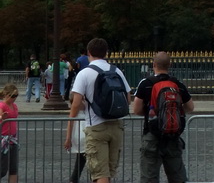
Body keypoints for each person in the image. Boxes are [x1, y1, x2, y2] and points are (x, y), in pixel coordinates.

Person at [65, 37, 132, 183]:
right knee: (108, 171)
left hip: (96, 126)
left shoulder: (84, 73)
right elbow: (128, 99)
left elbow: (76, 104)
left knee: (100, 173)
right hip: (116, 126)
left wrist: (86, 106)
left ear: (89, 52)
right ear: (106, 53)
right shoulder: (117, 71)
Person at [133, 51, 194, 183]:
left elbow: (136, 109)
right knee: (177, 177)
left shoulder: (146, 83)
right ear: (170, 65)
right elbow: (190, 107)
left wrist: (154, 114)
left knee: (149, 177)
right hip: (172, 134)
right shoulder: (177, 84)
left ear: (153, 64)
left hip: (152, 134)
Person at [0, 83, 19, 183]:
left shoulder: (14, 105)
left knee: (13, 168)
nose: (15, 98)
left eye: (16, 96)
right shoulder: (2, 105)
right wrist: (2, 118)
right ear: (7, 95)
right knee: (2, 169)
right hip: (3, 139)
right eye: (13, 96)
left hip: (13, 139)